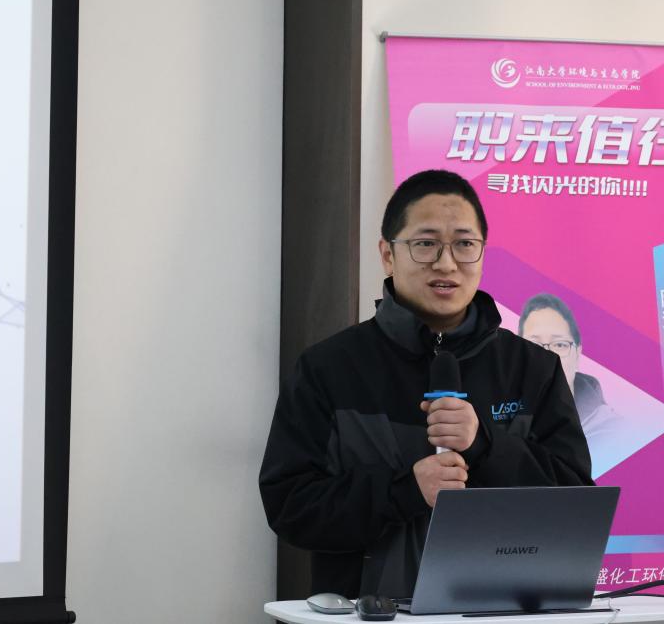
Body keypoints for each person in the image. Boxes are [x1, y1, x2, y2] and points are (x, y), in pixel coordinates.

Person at [259, 170, 592, 599]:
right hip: (368, 614)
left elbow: (576, 508)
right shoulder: (328, 368)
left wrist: (485, 447)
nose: (446, 263)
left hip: (502, 610)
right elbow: (290, 507)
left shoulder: (534, 368)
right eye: (426, 243)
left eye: (464, 244)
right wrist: (404, 492)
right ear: (387, 254)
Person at [519, 293, 630, 476]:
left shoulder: (615, 432)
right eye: (534, 345)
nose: (548, 357)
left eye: (560, 345)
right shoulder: (502, 424)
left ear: (578, 354)